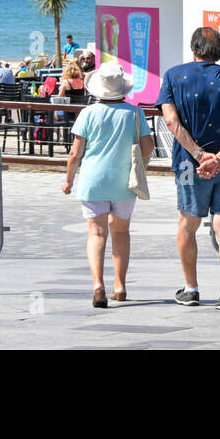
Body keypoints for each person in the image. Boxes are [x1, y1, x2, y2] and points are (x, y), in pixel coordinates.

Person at [159, 26, 220, 311]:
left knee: (187, 225)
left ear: (194, 48)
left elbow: (172, 122)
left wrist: (201, 155)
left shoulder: (174, 77)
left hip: (190, 165)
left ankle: (191, 288)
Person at [61, 64, 155, 308]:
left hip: (93, 179)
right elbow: (148, 147)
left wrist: (69, 180)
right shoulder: (135, 113)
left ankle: (97, 285)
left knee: (96, 233)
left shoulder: (88, 113)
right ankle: (120, 285)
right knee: (121, 232)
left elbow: (75, 153)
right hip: (125, 181)